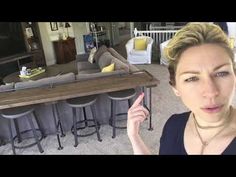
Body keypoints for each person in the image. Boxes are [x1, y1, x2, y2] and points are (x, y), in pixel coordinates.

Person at [127, 22, 236, 155]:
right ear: (175, 87)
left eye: (221, 73)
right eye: (191, 78)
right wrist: (134, 137)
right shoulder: (173, 126)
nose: (211, 92)